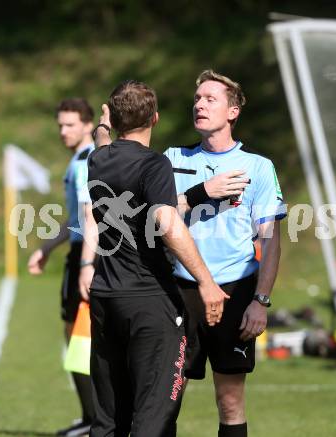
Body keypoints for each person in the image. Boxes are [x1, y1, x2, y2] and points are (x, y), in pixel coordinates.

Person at [83, 80, 229, 437]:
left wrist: (103, 126)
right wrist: (207, 282)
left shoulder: (97, 159)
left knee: (108, 418)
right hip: (150, 300)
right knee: (154, 416)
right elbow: (167, 222)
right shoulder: (155, 164)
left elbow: (103, 142)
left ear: (115, 121)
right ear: (156, 119)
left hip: (105, 299)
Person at [163, 70, 286, 437]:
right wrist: (204, 190)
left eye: (210, 99)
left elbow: (271, 239)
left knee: (230, 401)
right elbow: (154, 220)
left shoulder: (258, 168)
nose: (199, 104)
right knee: (165, 399)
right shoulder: (172, 158)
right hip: (181, 292)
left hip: (236, 292)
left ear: (232, 112)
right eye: (197, 99)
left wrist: (260, 301)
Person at [27, 98, 95, 436]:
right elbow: (76, 218)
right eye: (60, 125)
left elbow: (87, 217)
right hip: (84, 251)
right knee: (80, 336)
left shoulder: (84, 162)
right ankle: (94, 417)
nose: (63, 131)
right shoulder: (81, 159)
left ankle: (94, 419)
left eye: (69, 124)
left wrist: (85, 262)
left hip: (85, 254)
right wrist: (47, 247)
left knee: (79, 336)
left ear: (87, 124)